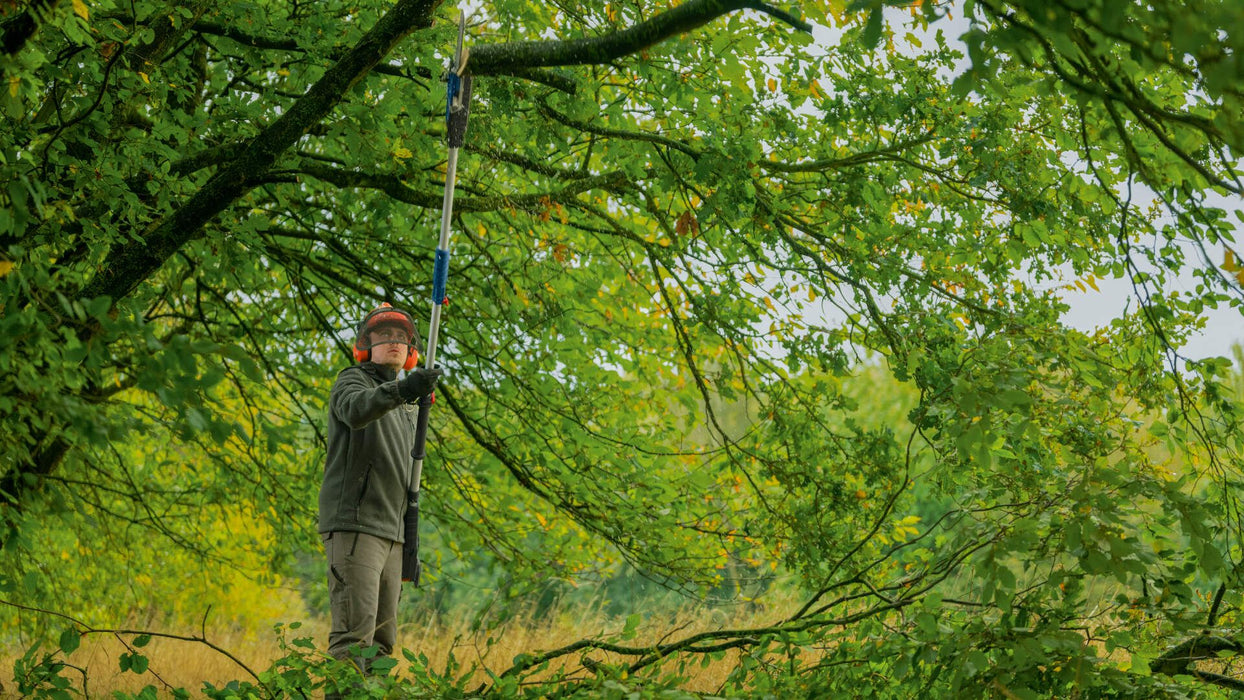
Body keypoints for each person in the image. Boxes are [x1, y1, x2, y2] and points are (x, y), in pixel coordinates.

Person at [318, 303, 442, 674]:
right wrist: (404, 389)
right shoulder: (353, 381)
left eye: (402, 337)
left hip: (394, 535)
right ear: (365, 345)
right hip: (357, 527)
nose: (394, 341)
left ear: (412, 350)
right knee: (354, 640)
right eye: (384, 335)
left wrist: (409, 542)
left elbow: (409, 478)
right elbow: (357, 410)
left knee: (383, 645)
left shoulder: (409, 408)